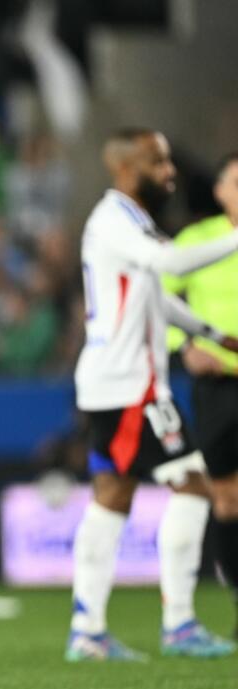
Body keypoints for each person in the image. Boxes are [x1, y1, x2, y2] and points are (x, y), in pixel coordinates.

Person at [68, 128, 238, 662]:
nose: (170, 171)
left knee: (112, 498)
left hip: (121, 383)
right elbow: (168, 268)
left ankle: (88, 631)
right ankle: (179, 624)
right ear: (126, 167)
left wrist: (210, 334)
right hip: (130, 387)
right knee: (192, 486)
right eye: (158, 161)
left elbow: (154, 298)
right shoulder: (113, 220)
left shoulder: (133, 223)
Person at [162, 151, 238, 642]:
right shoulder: (198, 240)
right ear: (219, 189)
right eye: (235, 179)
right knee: (228, 499)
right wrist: (185, 346)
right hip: (219, 384)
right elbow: (151, 297)